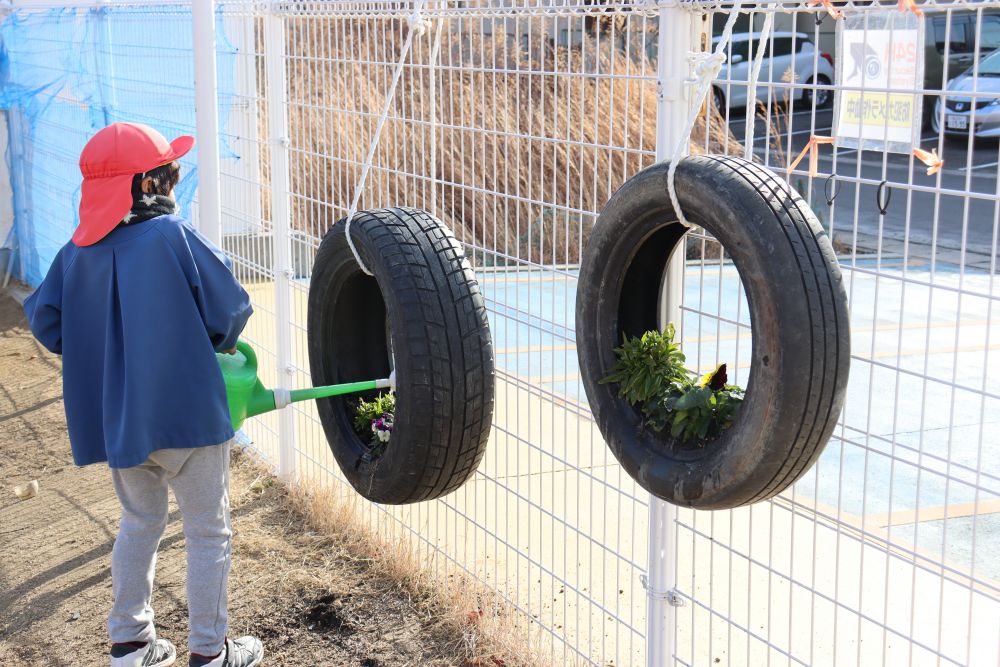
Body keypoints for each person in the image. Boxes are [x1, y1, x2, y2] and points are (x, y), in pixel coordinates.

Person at [23, 122, 262, 667]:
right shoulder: (171, 236)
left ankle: (130, 644)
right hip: (187, 414)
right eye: (171, 175)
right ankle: (211, 651)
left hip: (121, 420)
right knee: (208, 529)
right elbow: (229, 310)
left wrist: (99, 345)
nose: (175, 184)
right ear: (150, 184)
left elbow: (47, 321)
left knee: (138, 523)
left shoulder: (76, 251)